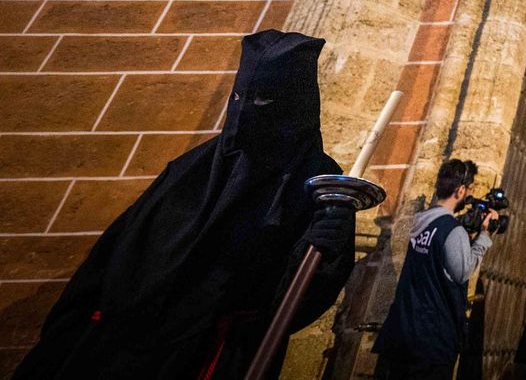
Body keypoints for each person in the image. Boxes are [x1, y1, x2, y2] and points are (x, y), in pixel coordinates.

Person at [16, 30, 354, 380]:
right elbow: (118, 251)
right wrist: (70, 328)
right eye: (239, 96)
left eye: (264, 102)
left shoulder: (317, 179)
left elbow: (297, 293)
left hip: (209, 354)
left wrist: (328, 249)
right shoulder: (195, 166)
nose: (244, 113)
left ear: (295, 102)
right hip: (113, 345)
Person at [373, 158, 499, 380]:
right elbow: (462, 272)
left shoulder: (419, 221)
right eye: (469, 188)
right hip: (432, 341)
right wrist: (484, 236)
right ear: (460, 190)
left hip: (402, 332)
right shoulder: (452, 230)